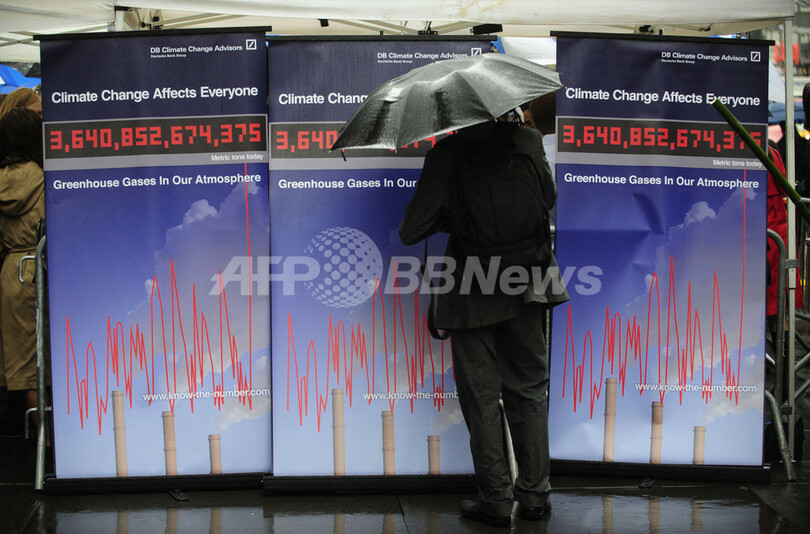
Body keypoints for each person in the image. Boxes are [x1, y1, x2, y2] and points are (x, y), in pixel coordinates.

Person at [399, 117, 568, 527]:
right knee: (529, 391)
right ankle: (535, 496)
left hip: (471, 288)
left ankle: (495, 500)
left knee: (481, 396)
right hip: (529, 279)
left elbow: (410, 231)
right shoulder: (527, 139)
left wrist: (452, 216)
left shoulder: (447, 153)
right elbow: (548, 197)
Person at [0, 107, 46, 439]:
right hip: (40, 266)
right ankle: (51, 446)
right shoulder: (45, 176)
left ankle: (40, 439)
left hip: (11, 271)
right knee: (47, 359)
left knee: (26, 364)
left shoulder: (1, 180)